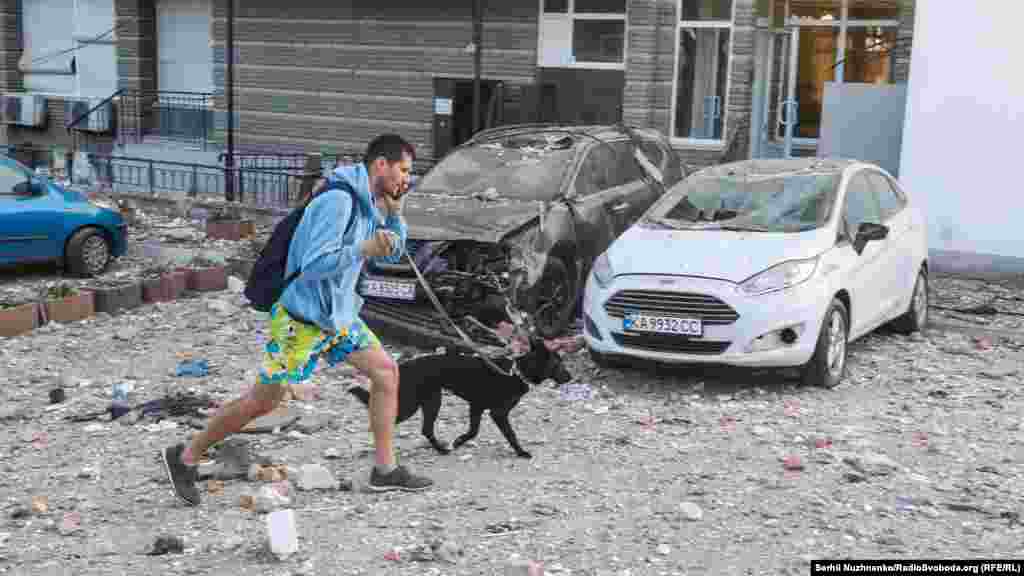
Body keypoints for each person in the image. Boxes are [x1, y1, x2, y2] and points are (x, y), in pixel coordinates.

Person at [161, 134, 433, 506]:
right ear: (380, 165)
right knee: (263, 401)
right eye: (403, 170)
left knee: (386, 372)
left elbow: (393, 253)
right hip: (302, 319)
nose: (406, 178)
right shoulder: (338, 201)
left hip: (338, 317)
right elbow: (313, 265)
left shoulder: (372, 202)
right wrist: (362, 248)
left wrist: (396, 216)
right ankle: (185, 456)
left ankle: (385, 471)